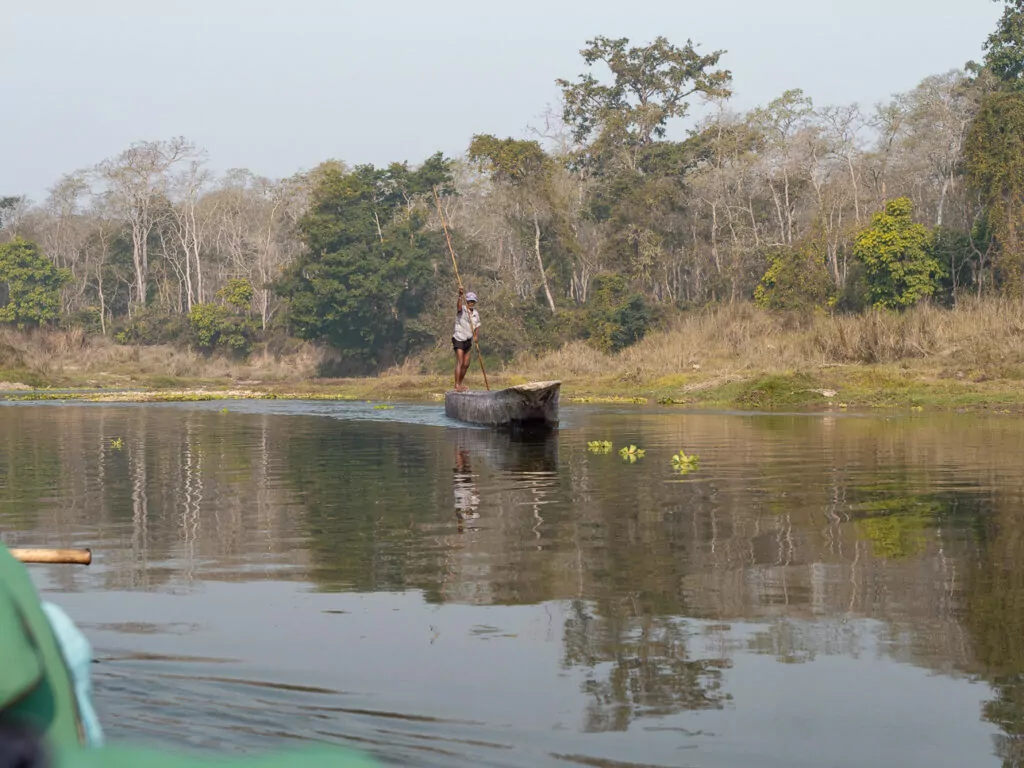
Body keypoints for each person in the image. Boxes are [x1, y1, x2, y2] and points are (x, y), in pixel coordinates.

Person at [451, 287, 480, 392]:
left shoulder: (475, 314)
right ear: (466, 301)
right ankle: (456, 386)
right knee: (460, 361)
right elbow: (458, 308)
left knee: (466, 364)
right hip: (459, 338)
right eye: (469, 301)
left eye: (473, 301)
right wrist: (459, 296)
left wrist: (476, 336)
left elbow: (477, 326)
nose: (471, 303)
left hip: (468, 340)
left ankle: (460, 384)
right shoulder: (462, 309)